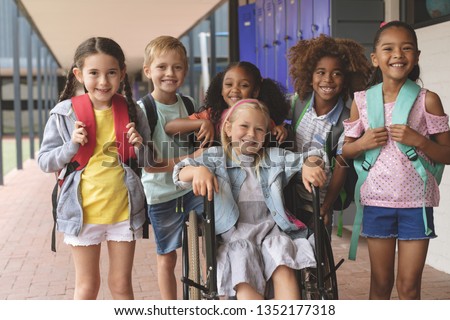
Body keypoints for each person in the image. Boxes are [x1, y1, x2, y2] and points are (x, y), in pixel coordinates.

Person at [173, 99, 327, 299]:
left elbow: (315, 155)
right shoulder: (215, 157)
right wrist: (197, 170)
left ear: (266, 135)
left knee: (282, 258)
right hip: (235, 236)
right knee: (242, 259)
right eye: (244, 126)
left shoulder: (273, 157)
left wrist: (312, 164)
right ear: (228, 128)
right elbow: (179, 174)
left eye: (259, 130)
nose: (251, 134)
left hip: (271, 231)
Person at [38, 37, 153, 299]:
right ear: (79, 74)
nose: (103, 81)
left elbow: (150, 163)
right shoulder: (64, 113)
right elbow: (45, 161)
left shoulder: (133, 111)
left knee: (121, 285)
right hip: (82, 214)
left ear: (122, 73)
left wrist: (139, 147)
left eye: (111, 73)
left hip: (123, 211)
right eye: (94, 73)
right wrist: (70, 146)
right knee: (87, 287)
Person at [342, 21, 450, 299]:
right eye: (388, 49)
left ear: (416, 56)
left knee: (409, 287)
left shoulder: (428, 100)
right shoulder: (362, 101)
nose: (398, 55)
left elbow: (447, 154)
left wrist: (420, 141)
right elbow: (346, 150)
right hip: (377, 202)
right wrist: (363, 143)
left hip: (417, 205)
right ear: (375, 58)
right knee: (379, 284)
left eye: (406, 49)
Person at [139, 35, 204, 300]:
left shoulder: (188, 104)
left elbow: (201, 136)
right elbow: (151, 165)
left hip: (191, 189)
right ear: (147, 71)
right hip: (162, 195)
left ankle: (204, 292)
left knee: (209, 244)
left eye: (177, 67)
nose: (170, 73)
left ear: (185, 71)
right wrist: (189, 159)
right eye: (162, 67)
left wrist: (205, 125)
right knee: (167, 257)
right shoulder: (144, 109)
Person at [287, 34, 372, 231]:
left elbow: (341, 167)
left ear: (346, 79)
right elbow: (264, 114)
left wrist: (325, 208)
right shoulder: (296, 103)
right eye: (321, 72)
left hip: (318, 199)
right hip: (288, 194)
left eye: (336, 74)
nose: (328, 79)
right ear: (310, 76)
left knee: (319, 254)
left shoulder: (347, 121)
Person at [164, 61, 290, 147]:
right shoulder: (212, 115)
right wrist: (202, 122)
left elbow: (272, 131)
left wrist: (279, 129)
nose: (235, 90)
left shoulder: (261, 115)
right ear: (221, 89)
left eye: (244, 85)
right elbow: (170, 127)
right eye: (229, 85)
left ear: (255, 91)